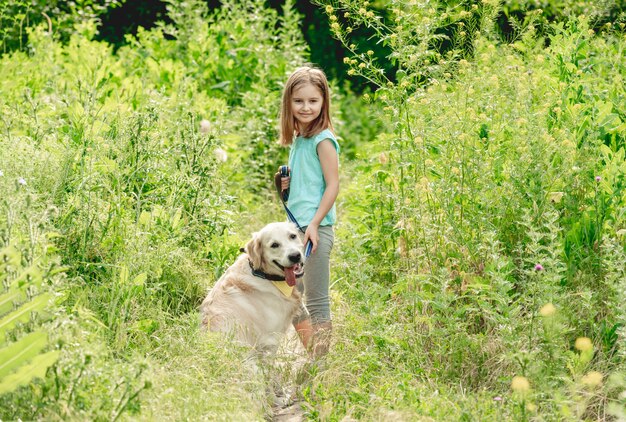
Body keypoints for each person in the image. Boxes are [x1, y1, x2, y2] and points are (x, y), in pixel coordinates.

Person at [276, 66, 339, 358]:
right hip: (297, 230)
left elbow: (332, 186)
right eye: (299, 101)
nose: (306, 107)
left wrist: (314, 224)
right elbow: (305, 191)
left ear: (323, 102)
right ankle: (314, 358)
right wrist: (285, 185)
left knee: (316, 301)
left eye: (313, 101)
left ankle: (320, 368)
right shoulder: (300, 139)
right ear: (289, 102)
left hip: (316, 229)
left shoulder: (322, 140)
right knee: (290, 295)